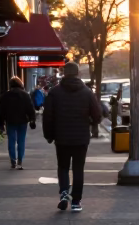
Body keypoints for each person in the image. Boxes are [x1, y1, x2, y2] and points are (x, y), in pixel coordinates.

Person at [42, 61, 102, 212]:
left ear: (64, 73)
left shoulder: (55, 93)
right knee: (78, 169)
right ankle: (76, 201)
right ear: (77, 73)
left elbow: (47, 116)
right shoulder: (87, 92)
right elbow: (97, 115)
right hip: (81, 138)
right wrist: (91, 123)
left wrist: (49, 135)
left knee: (63, 167)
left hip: (61, 137)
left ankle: (63, 193)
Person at [0, 76, 37, 169]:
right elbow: (30, 108)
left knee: (11, 140)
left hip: (10, 121)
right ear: (20, 84)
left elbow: (0, 111)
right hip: (22, 121)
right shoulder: (25, 95)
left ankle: (13, 160)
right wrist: (32, 119)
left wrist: (1, 124)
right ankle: (20, 161)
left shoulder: (5, 96)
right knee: (21, 141)